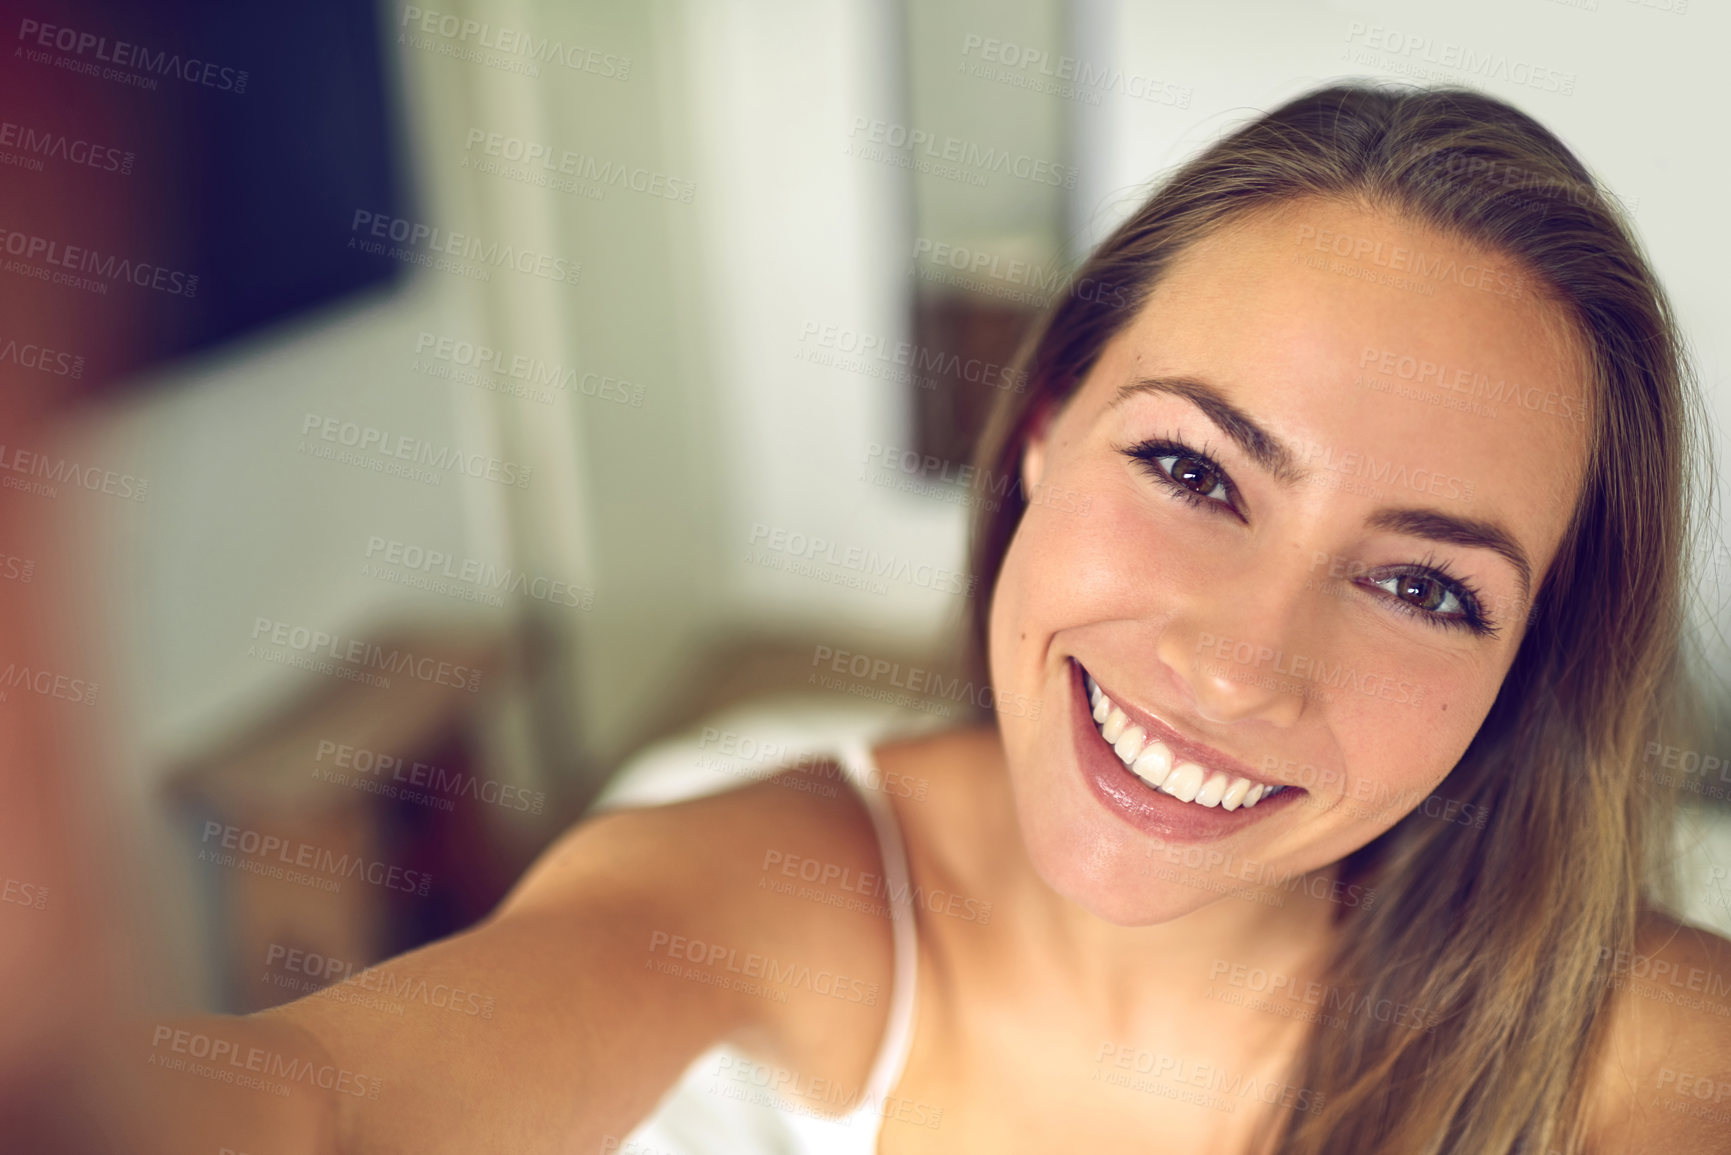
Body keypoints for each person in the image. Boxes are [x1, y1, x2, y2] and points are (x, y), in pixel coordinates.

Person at [117, 82, 1731, 1154]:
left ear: (1531, 666)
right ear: (1036, 430)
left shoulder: (1641, 1051)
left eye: (1423, 585)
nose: (1239, 663)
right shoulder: (775, 885)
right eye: (1191, 467)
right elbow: (320, 1101)